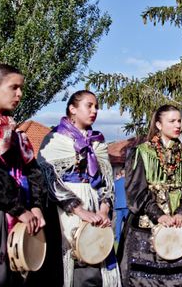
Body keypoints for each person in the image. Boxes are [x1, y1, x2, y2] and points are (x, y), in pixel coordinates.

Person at [119, 105, 182, 286]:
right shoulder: (141, 153)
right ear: (159, 125)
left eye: (179, 121)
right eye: (172, 121)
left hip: (181, 222)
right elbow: (136, 191)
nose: (177, 125)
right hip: (147, 223)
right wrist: (158, 215)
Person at [38, 90, 120, 286]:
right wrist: (78, 209)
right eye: (89, 105)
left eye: (96, 107)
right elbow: (49, 180)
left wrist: (104, 208)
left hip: (94, 202)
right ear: (72, 109)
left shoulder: (98, 142)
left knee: (96, 252)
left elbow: (107, 179)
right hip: (64, 210)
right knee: (71, 255)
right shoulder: (55, 140)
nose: (94, 111)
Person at [0, 63, 46, 286]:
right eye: (14, 87)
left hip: (20, 214)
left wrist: (35, 205)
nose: (20, 94)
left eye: (21, 88)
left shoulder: (12, 130)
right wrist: (17, 208)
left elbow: (32, 169)